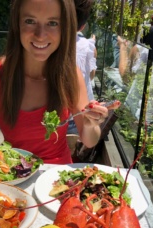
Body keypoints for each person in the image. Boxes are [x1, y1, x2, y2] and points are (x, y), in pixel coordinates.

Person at [0, 0, 113, 164]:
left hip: (58, 180)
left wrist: (91, 124)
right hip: (14, 178)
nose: (40, 35)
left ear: (65, 28)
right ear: (16, 24)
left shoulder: (70, 75)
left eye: (53, 23)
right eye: (30, 21)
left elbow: (89, 140)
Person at [67, 0, 97, 134]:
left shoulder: (48, 45)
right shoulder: (88, 46)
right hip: (80, 114)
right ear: (83, 26)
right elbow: (91, 76)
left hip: (55, 116)